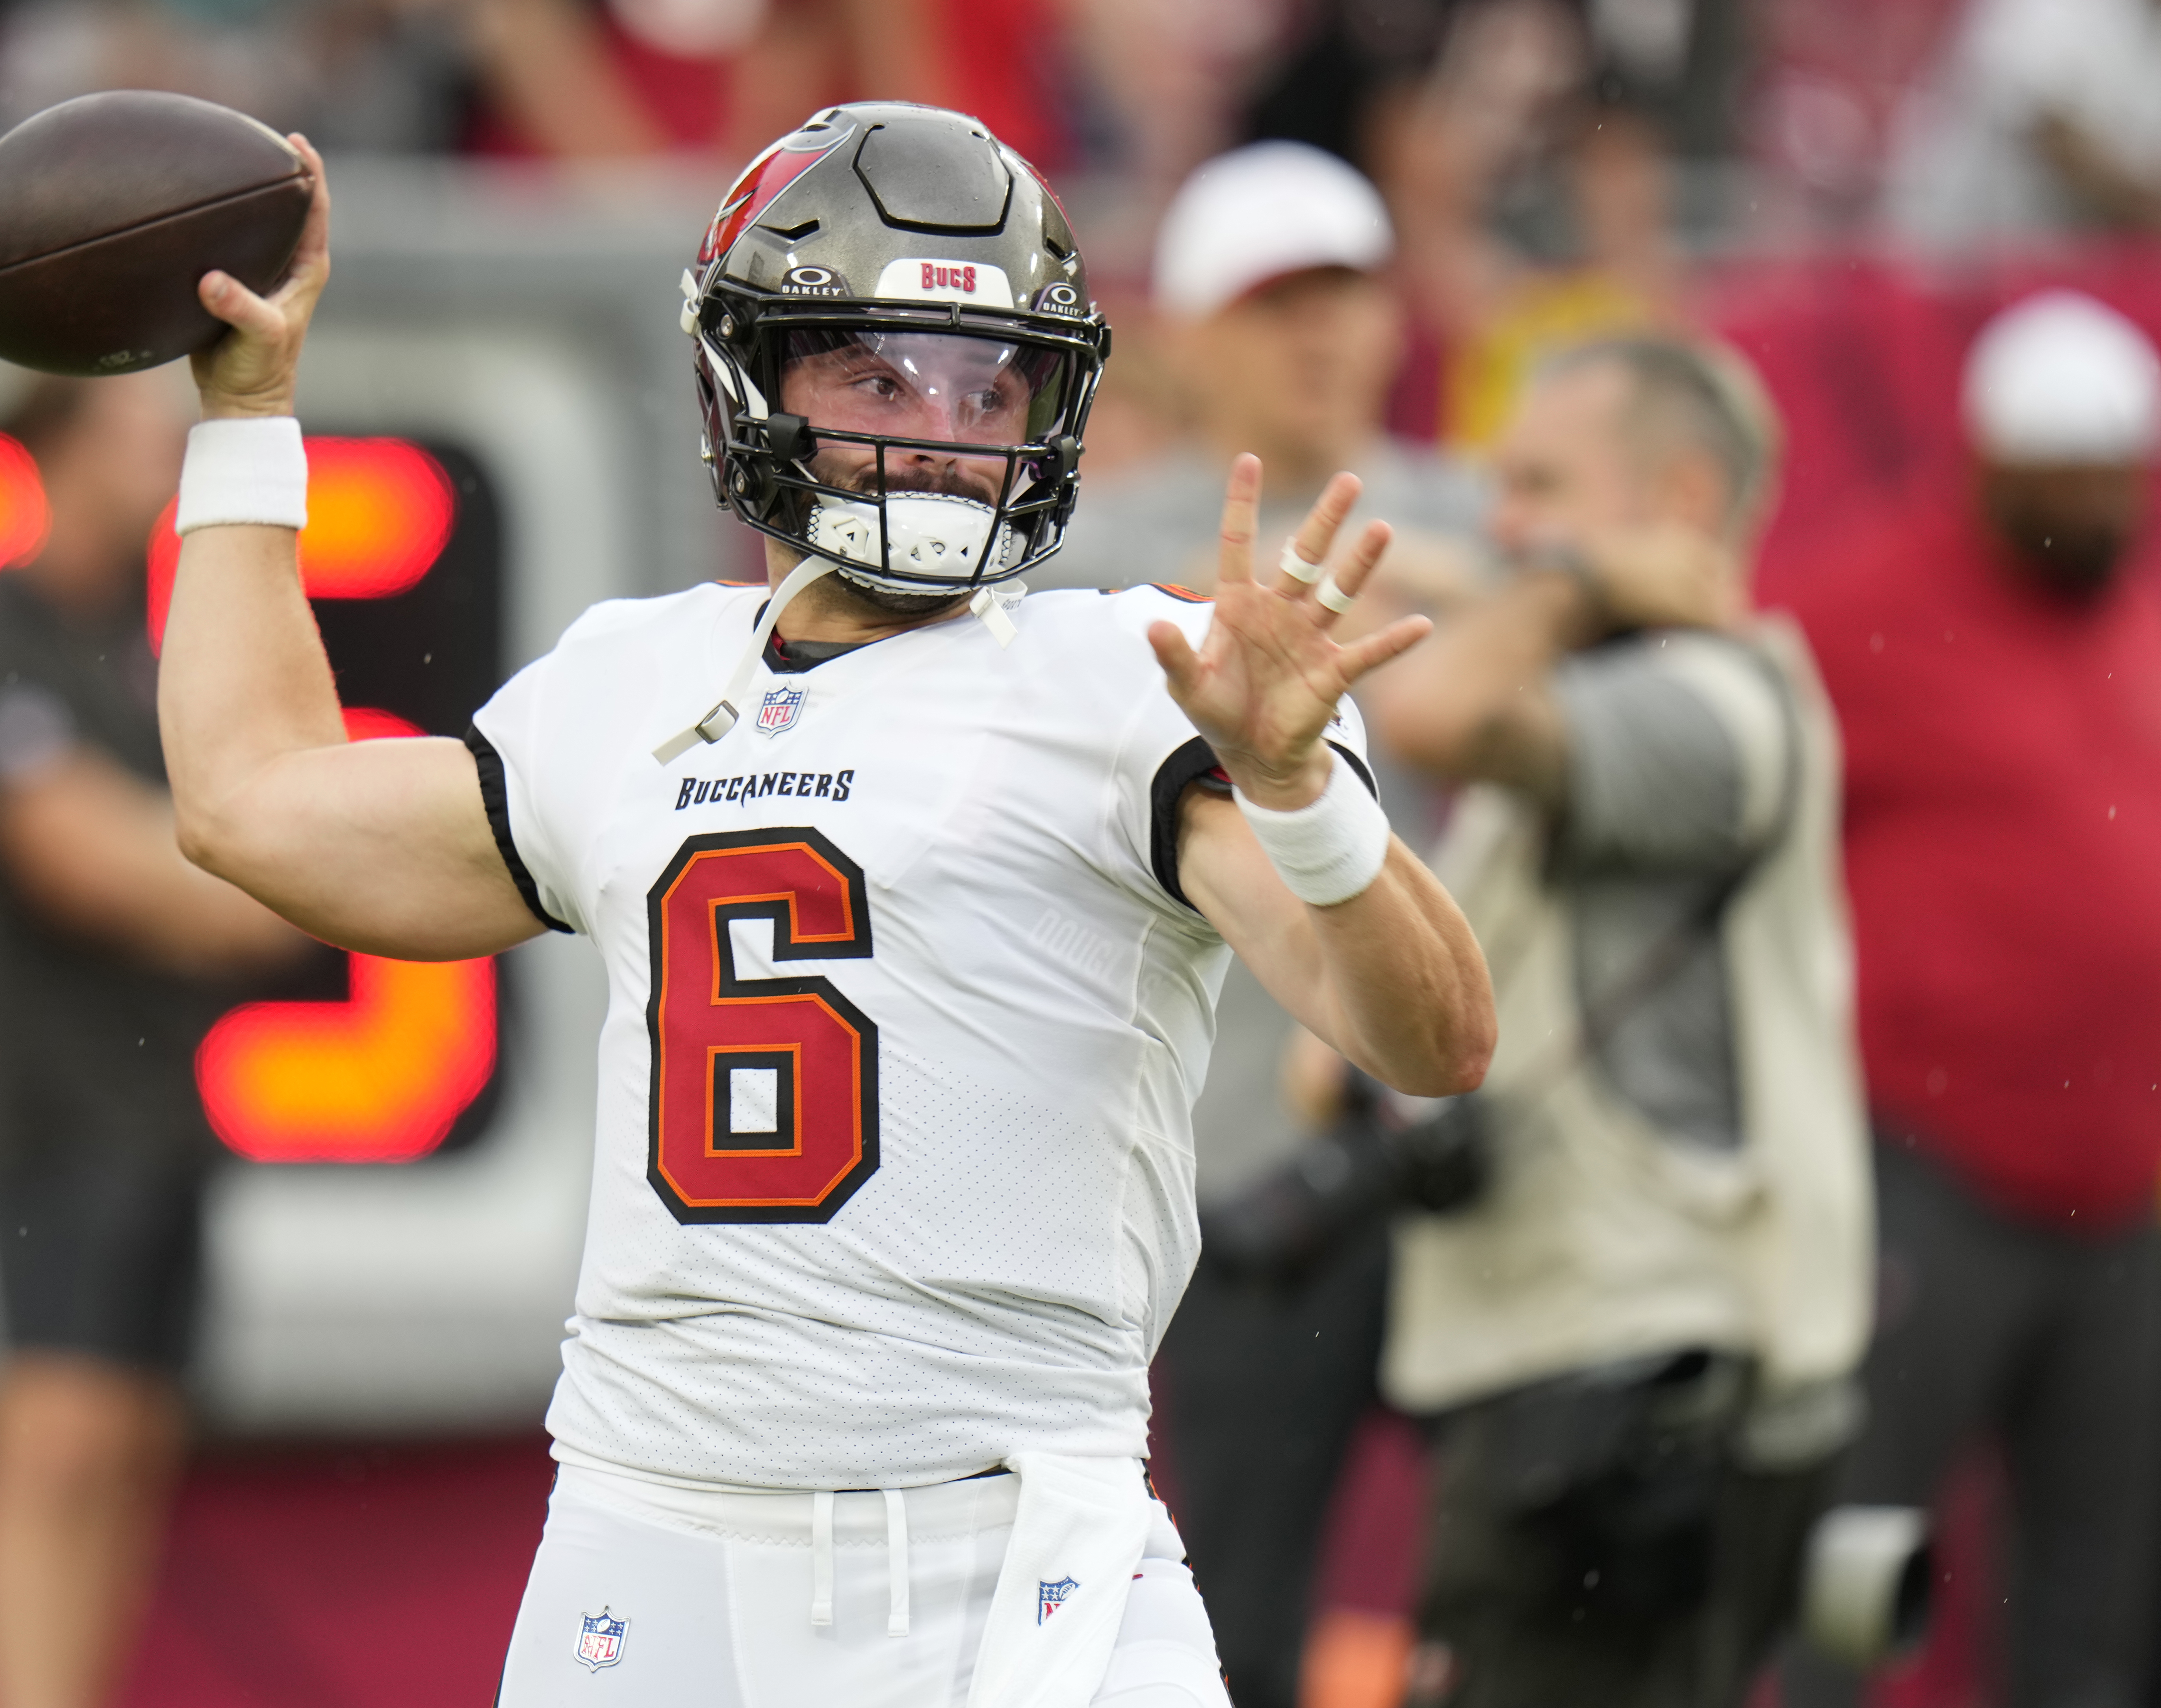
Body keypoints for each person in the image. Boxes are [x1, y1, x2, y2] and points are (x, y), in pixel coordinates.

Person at [155, 102, 1495, 1706]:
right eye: (878, 375)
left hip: (1019, 1567)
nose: (940, 429)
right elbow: (250, 801)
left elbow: (1433, 1039)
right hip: (655, 1544)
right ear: (749, 378)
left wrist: (1300, 798)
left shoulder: (1128, 679)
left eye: (987, 382)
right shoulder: (637, 682)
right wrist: (248, 415)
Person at [1039, 138, 1490, 1708]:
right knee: (1235, 1600)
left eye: (1346, 294)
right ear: (1201, 330)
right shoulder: (1094, 541)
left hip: (1483, 1156)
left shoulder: (1482, 515)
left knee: (1529, 1592)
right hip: (1244, 1164)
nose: (1321, 333)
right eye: (1276, 300)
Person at [1365, 334, 1871, 1708]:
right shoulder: (1641, 690)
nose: (1507, 520)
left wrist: (1569, 583)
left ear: (1684, 501)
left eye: (1540, 484)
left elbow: (1438, 706)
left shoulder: (1701, 708)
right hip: (1605, 1383)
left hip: (1625, 1400)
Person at [0, 373, 306, 1708]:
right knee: (52, 1434)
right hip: (51, 1114)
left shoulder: (138, 653)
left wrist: (249, 881)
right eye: (130, 430)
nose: (157, 459)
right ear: (54, 442)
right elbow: (85, 859)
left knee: (128, 1441)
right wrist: (271, 883)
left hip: (166, 1116)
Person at [1778, 290, 2161, 1708]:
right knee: (1859, 1560)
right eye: (2064, 469)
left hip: (2122, 1191)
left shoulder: (2127, 604)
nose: (2095, 498)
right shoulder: (1866, 607)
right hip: (1927, 1173)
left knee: (2099, 1588)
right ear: (1987, 463)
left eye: (2116, 467)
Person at [1886, 0, 2161, 248]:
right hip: (1956, 261)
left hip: (2082, 268)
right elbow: (2055, 138)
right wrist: (2146, 207)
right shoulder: (2047, 10)